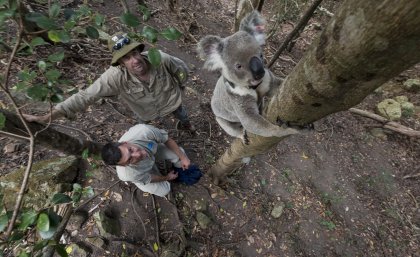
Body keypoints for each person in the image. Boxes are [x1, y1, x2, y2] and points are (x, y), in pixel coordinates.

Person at [23, 31, 196, 132]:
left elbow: (181, 70)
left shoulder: (160, 59)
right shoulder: (114, 77)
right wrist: (46, 117)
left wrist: (181, 86)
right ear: (120, 63)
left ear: (139, 51)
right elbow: (85, 96)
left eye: (134, 53)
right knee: (143, 128)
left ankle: (187, 126)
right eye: (126, 58)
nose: (134, 60)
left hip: (172, 101)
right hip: (146, 112)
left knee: (182, 114)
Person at [101, 123, 191, 197]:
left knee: (179, 153)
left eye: (130, 150)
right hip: (141, 172)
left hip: (153, 153)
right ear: (123, 165)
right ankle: (160, 173)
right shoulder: (128, 174)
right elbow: (149, 178)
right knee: (164, 190)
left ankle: (179, 169)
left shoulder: (144, 132)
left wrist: (184, 158)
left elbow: (167, 140)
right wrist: (167, 177)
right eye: (130, 159)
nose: (138, 154)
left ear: (125, 143)